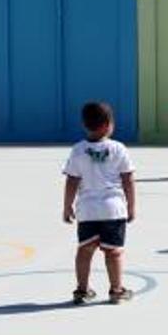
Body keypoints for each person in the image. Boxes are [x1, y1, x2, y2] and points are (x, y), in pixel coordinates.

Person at [63, 102, 136, 305]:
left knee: (85, 250)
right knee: (113, 252)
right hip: (113, 210)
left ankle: (82, 290)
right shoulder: (118, 148)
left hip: (87, 210)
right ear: (107, 125)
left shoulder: (78, 150)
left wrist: (67, 206)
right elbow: (128, 179)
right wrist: (131, 206)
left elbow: (72, 180)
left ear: (85, 125)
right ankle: (116, 290)